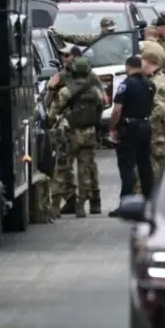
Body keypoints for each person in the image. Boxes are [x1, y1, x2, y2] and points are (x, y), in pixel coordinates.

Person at [47, 44, 107, 216]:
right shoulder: (93, 89)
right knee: (85, 170)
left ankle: (56, 205)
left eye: (67, 56)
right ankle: (82, 204)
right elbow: (101, 105)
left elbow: (53, 110)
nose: (64, 58)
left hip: (69, 133)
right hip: (88, 133)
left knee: (61, 168)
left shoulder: (66, 89)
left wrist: (50, 121)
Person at [108, 56, 156, 217]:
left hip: (129, 128)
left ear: (128, 66)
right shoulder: (149, 84)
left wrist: (113, 127)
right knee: (145, 166)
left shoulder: (126, 85)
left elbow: (117, 110)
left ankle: (125, 203)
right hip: (145, 125)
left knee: (127, 166)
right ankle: (150, 202)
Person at [136, 44, 165, 192]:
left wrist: (147, 124)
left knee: (155, 173)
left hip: (157, 135)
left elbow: (161, 108)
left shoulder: (158, 82)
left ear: (150, 62)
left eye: (142, 60)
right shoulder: (151, 79)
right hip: (154, 134)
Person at [52, 16, 116, 45]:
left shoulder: (122, 40)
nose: (111, 32)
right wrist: (57, 33)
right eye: (109, 30)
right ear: (102, 28)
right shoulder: (95, 40)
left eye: (112, 29)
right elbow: (75, 38)